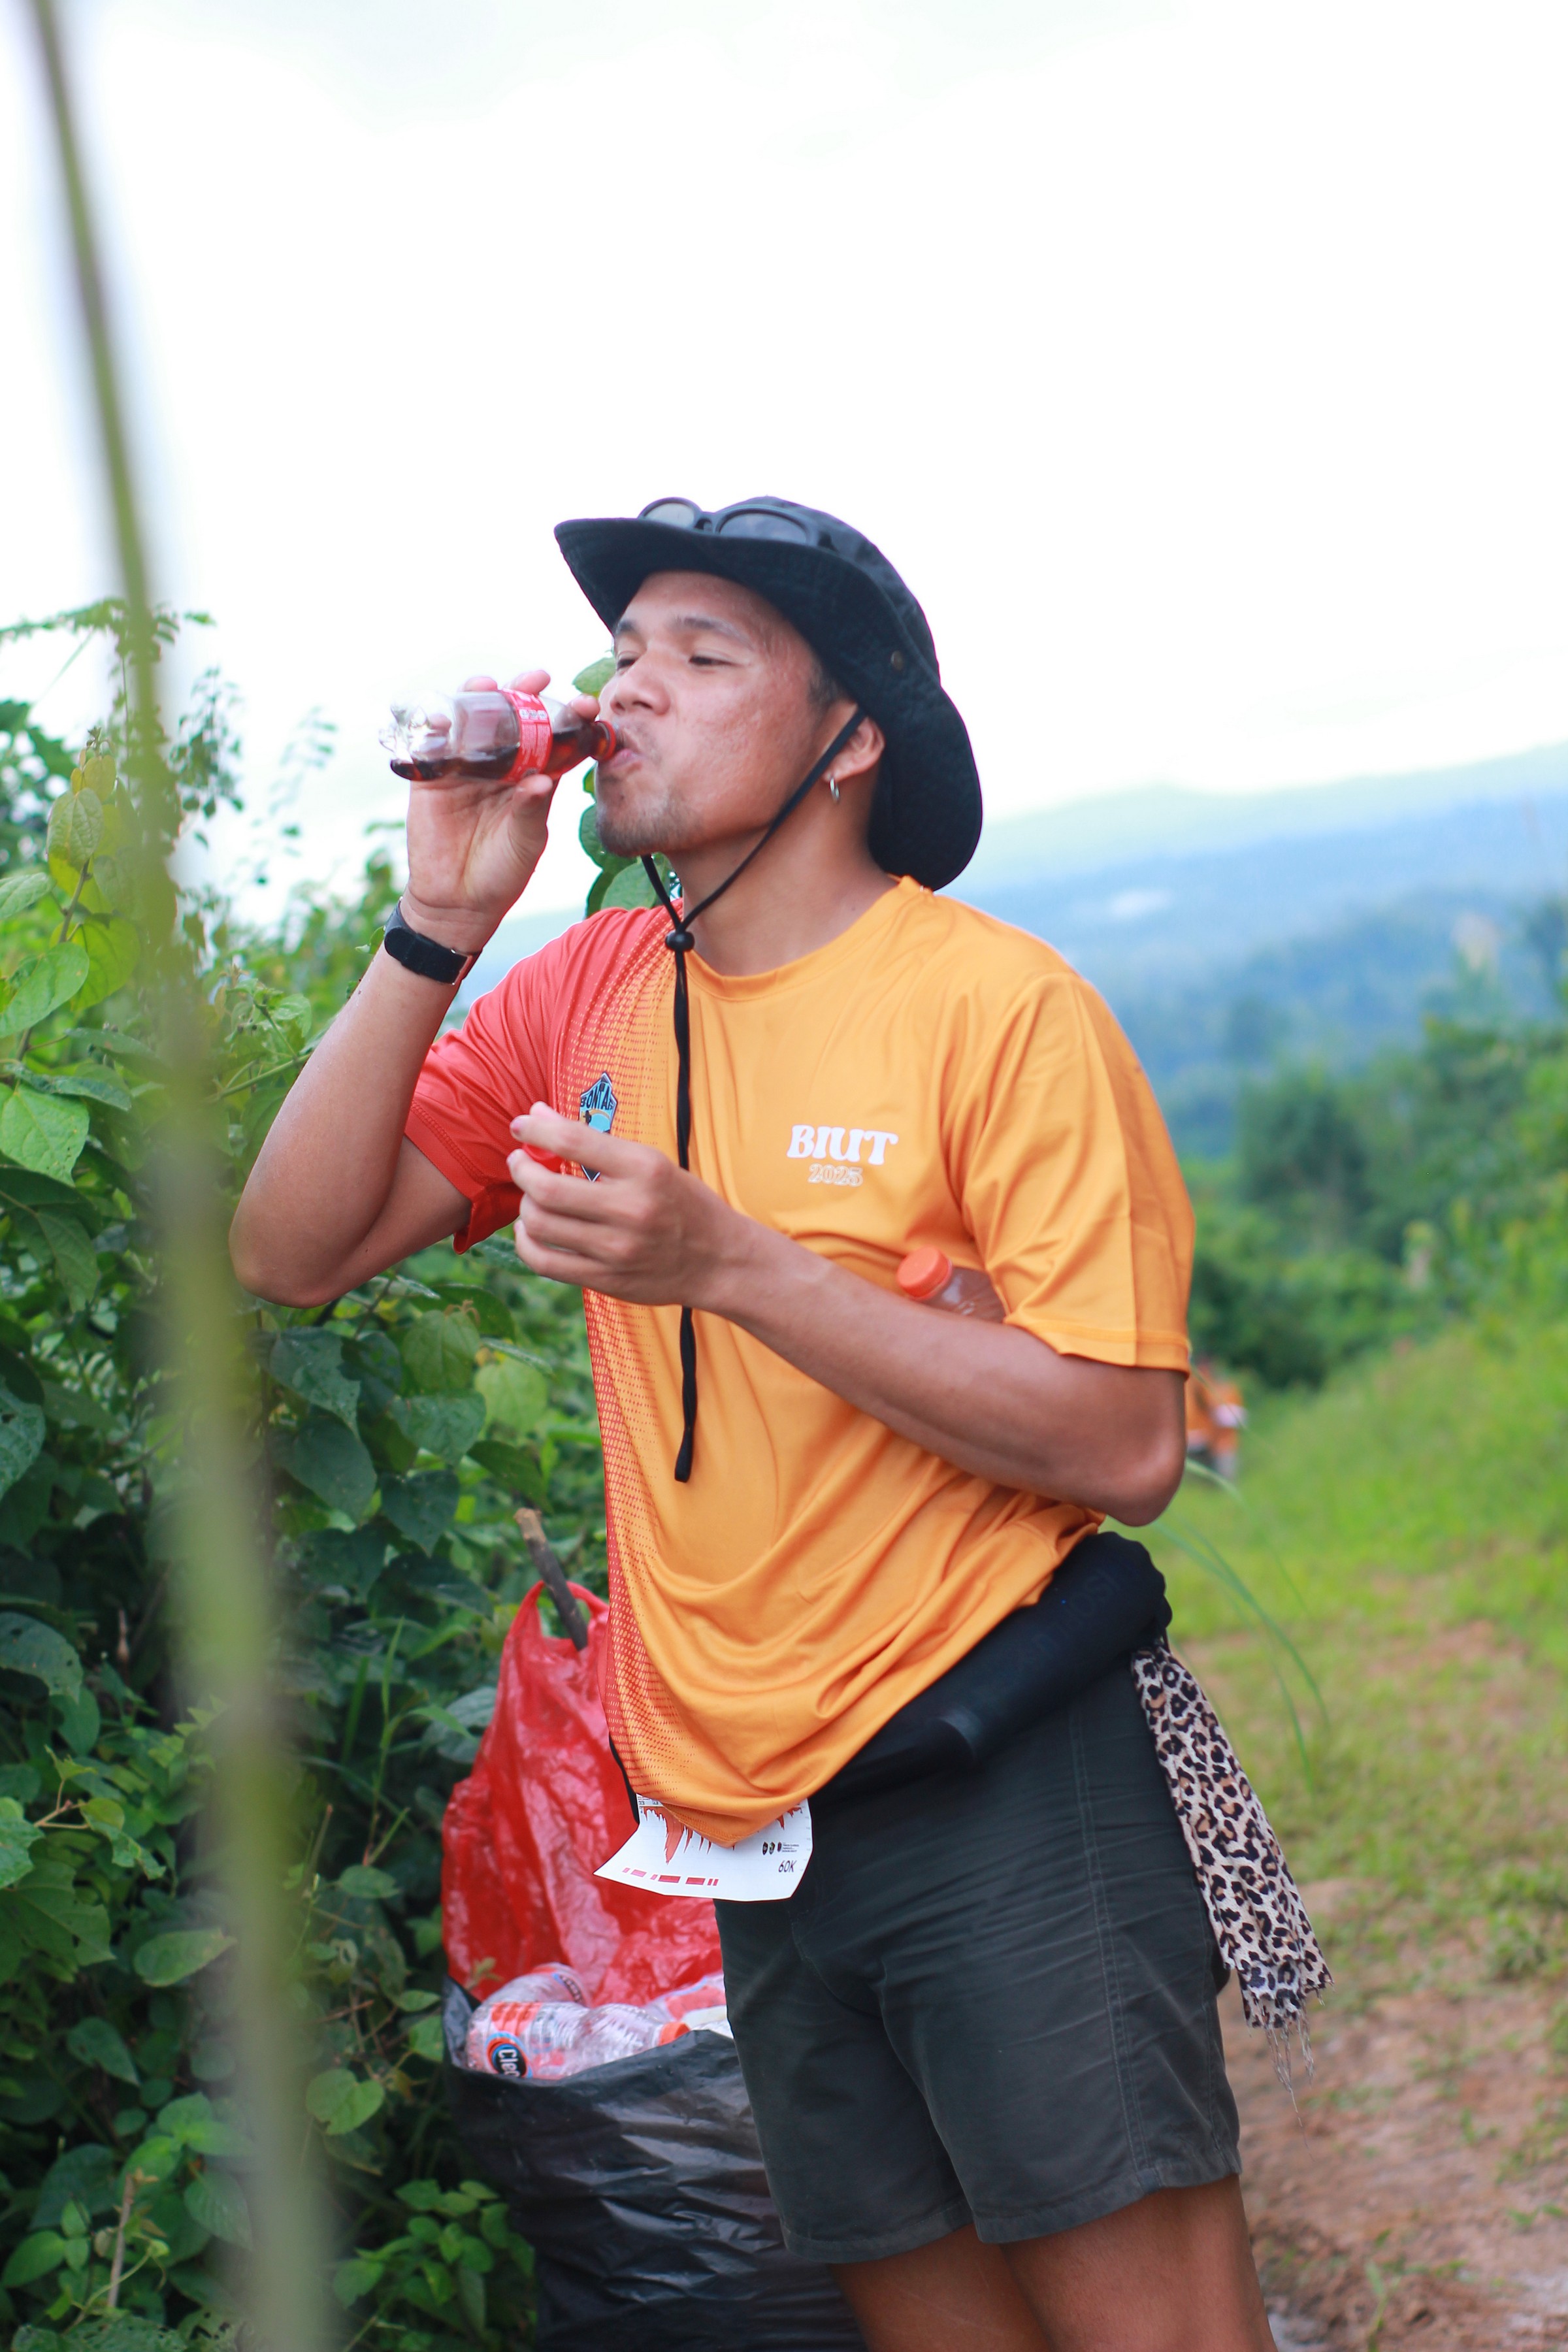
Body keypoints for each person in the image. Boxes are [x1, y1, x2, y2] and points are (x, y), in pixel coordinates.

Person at [231, 496, 1274, 2352]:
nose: (633, 687)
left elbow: (1128, 1448)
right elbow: (288, 1251)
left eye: (705, 656)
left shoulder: (997, 1011)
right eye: (628, 651)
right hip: (753, 1825)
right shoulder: (585, 996)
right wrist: (437, 923)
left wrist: (732, 1261)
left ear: (850, 738)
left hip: (1003, 1763)